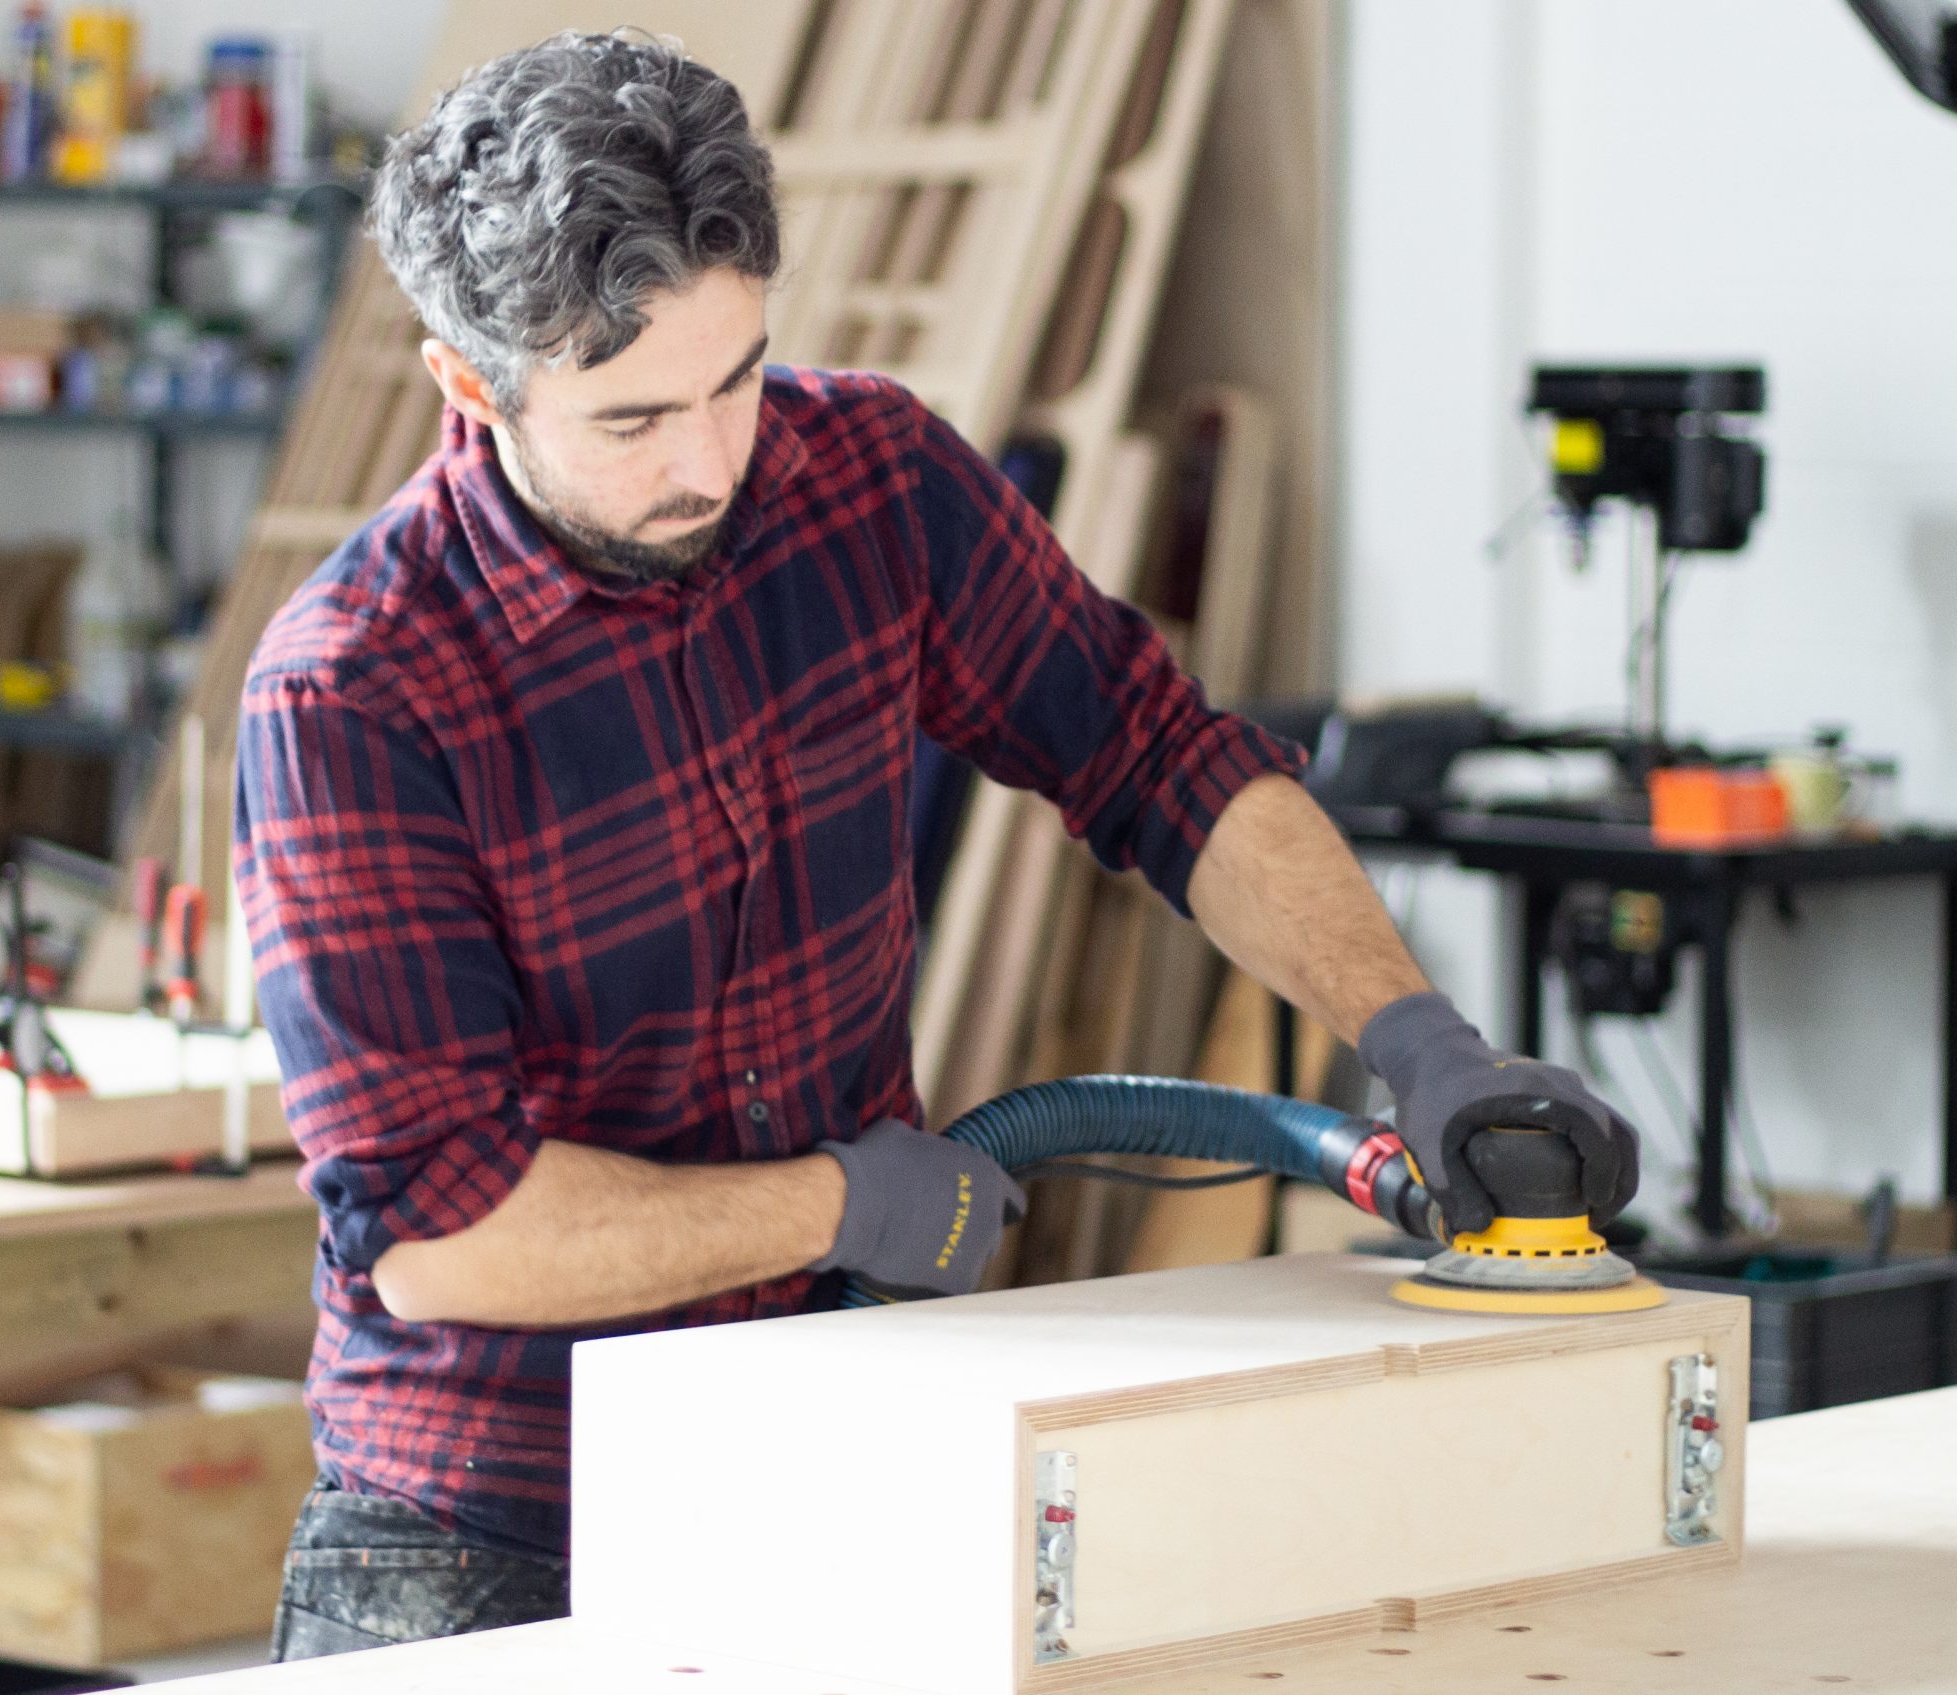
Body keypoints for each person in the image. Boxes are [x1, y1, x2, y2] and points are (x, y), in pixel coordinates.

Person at [235, 31, 1640, 1662]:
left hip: (830, 1445)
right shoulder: (357, 688)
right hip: (488, 1515)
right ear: (470, 389)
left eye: (737, 376)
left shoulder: (870, 484)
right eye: (630, 421)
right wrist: (833, 1208)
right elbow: (440, 1231)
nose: (709, 464)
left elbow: (1158, 753)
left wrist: (1422, 1040)